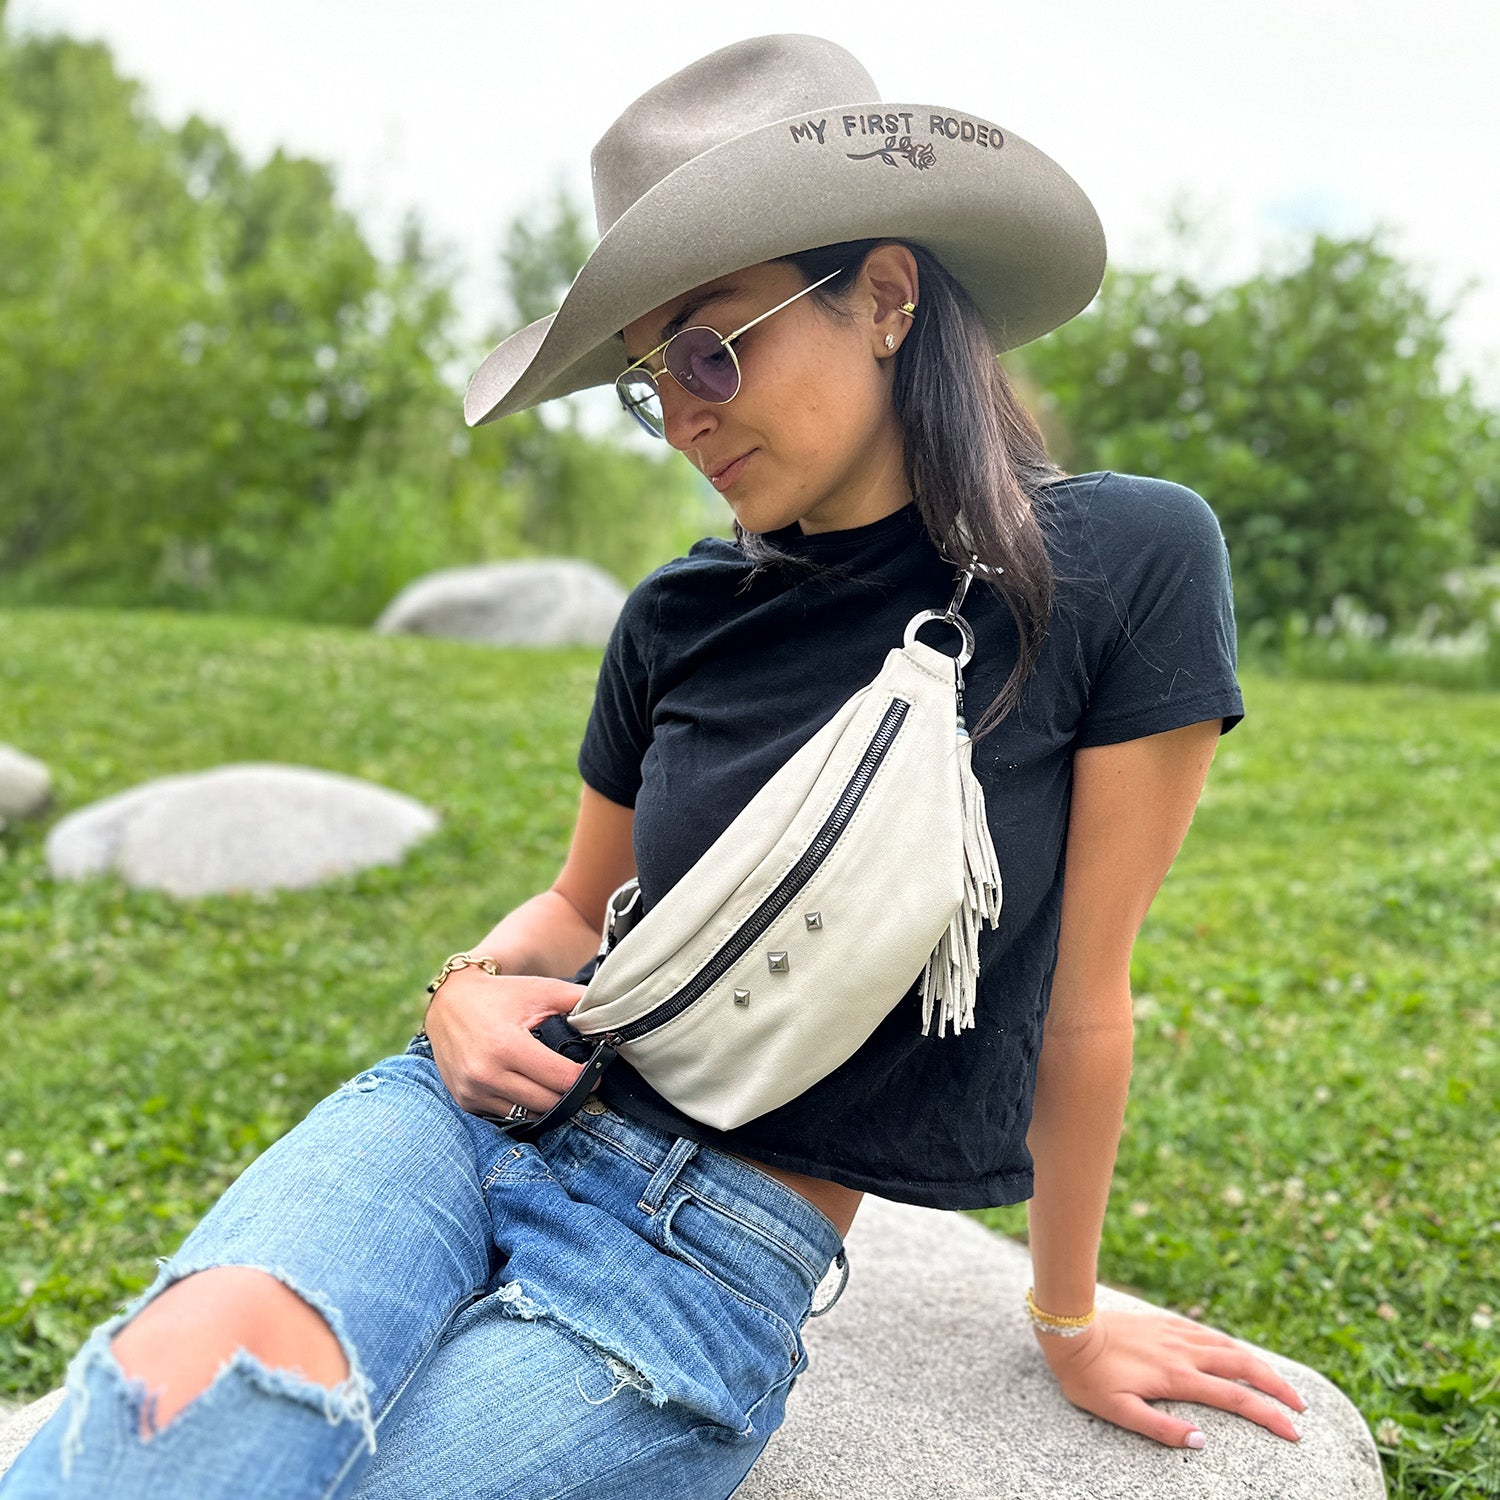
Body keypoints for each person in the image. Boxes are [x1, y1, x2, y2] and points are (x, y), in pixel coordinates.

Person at [2, 33, 1308, 1500]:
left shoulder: (1119, 563)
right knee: (170, 1430)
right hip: (450, 1130)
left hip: (699, 1265)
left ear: (886, 295)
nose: (683, 415)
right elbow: (574, 907)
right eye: (647, 381)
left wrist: (1067, 1319)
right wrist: (458, 996)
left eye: (709, 348)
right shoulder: (678, 614)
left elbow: (1085, 1001)